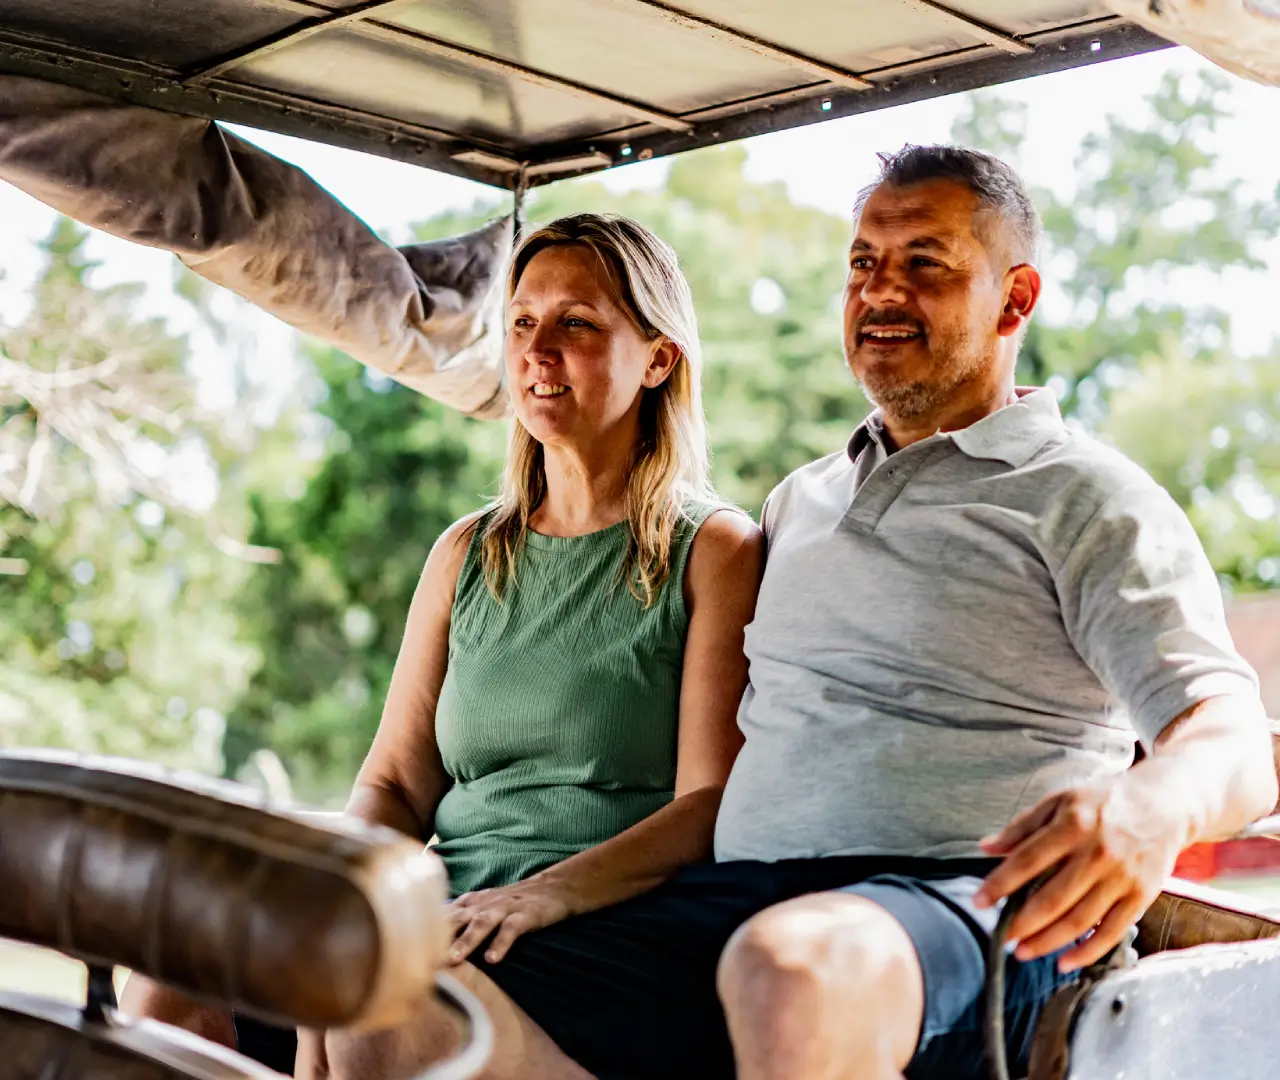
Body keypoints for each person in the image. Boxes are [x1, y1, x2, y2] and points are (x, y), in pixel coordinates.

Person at [312, 145, 1277, 1080]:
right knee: (391, 1004)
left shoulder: (1087, 498)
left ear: (1015, 299)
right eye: (863, 263)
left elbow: (1231, 737)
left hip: (961, 905)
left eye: (924, 265)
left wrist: (1157, 804)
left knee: (787, 968)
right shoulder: (801, 503)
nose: (881, 291)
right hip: (733, 905)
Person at [121, 213, 763, 1072]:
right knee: (178, 951)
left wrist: (542, 895)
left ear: (658, 358)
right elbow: (392, 783)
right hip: (441, 911)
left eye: (578, 323)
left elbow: (704, 807)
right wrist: (348, 886)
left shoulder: (713, 550)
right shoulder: (468, 553)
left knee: (369, 987)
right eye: (524, 322)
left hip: (598, 937)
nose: (539, 350)